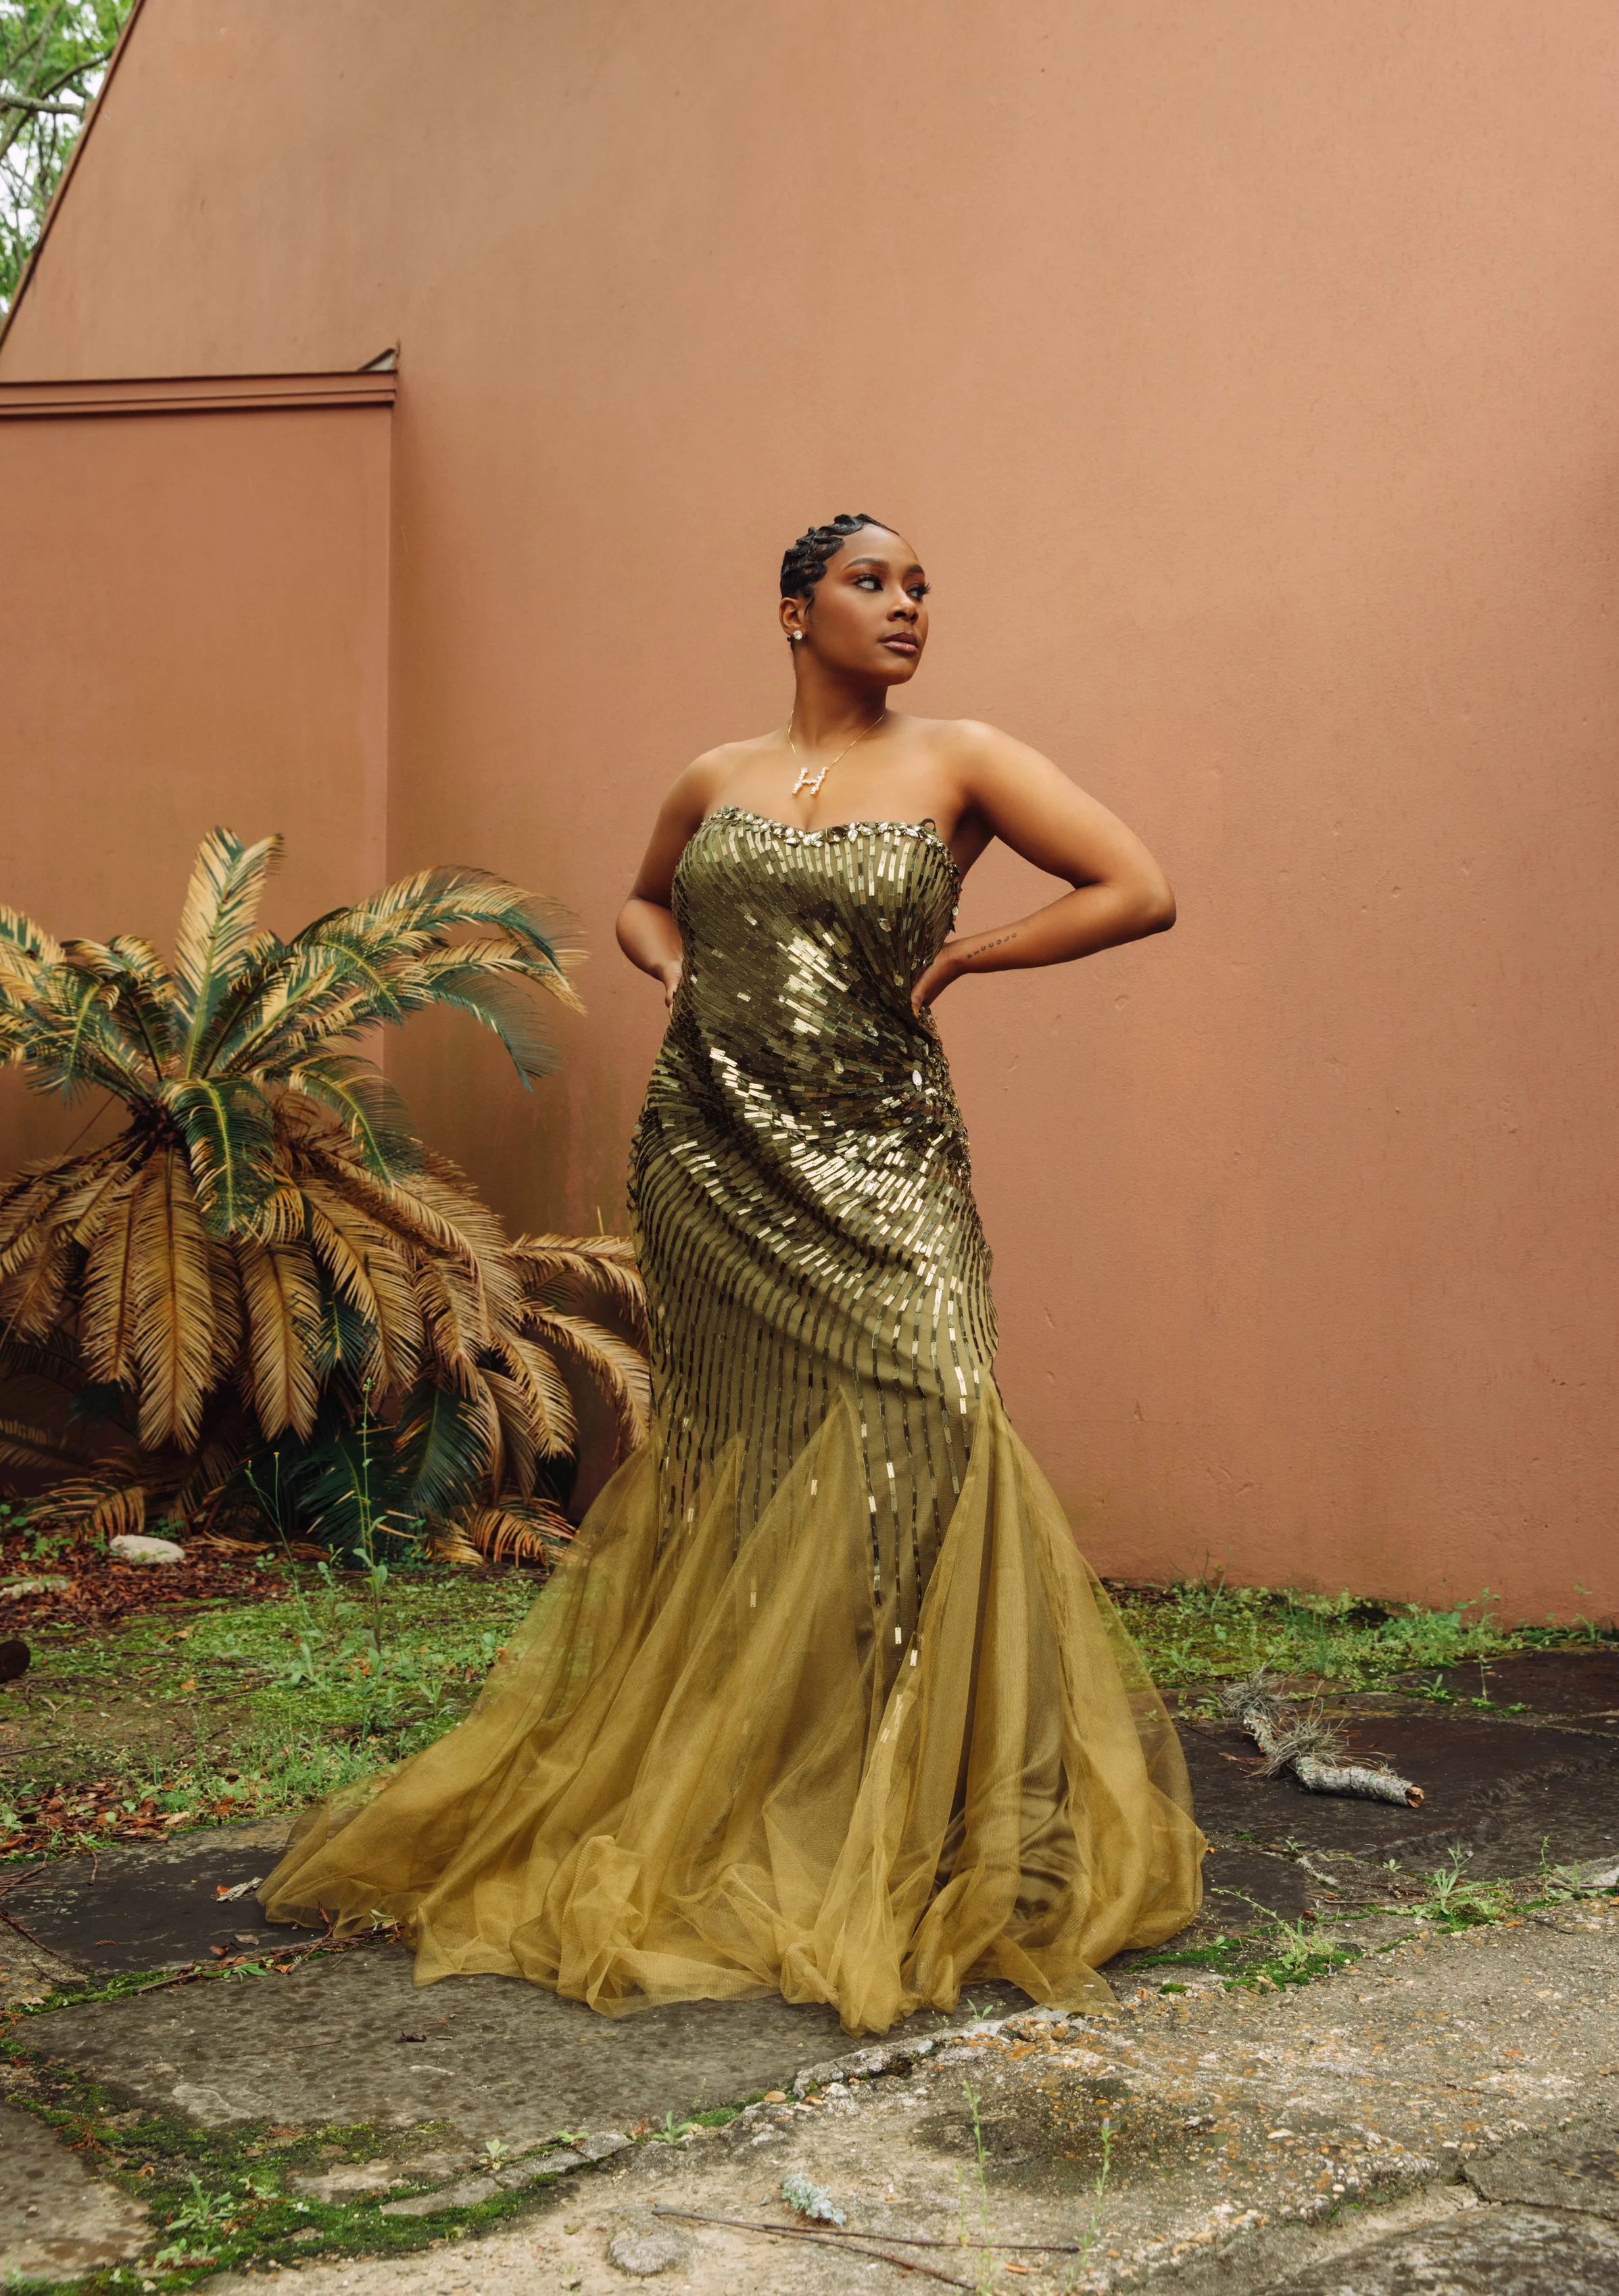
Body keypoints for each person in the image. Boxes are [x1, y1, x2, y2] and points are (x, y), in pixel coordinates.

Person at [261, 513, 1204, 2032]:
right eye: (870, 584)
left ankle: (922, 1821)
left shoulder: (962, 757)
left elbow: (1137, 887)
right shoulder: (716, 780)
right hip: (709, 1166)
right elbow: (643, 898)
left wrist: (969, 955)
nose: (904, 610)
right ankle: (779, 1786)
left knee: (934, 1427)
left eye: (917, 591)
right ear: (791, 610)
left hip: (883, 1167)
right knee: (747, 1474)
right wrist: (669, 965)